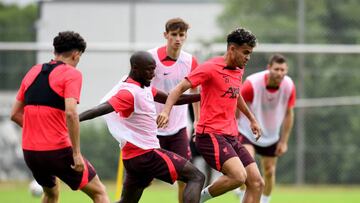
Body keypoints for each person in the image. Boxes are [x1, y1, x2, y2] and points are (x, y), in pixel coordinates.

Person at [79, 51, 205, 203]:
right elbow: (101, 109)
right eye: (149, 70)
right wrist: (73, 118)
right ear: (135, 68)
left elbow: (173, 99)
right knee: (196, 177)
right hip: (146, 155)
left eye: (154, 70)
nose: (153, 74)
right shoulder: (129, 93)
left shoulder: (144, 88)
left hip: (133, 159)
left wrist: (203, 95)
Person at [157, 28, 265, 203]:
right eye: (245, 52)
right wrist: (165, 111)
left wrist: (252, 119)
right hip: (210, 135)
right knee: (238, 176)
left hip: (231, 135)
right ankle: (198, 198)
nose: (248, 57)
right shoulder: (209, 68)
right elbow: (178, 88)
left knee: (257, 183)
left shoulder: (238, 70)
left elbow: (235, 94)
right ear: (232, 49)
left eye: (250, 53)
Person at [10, 31, 109, 203]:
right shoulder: (71, 73)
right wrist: (76, 154)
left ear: (55, 51)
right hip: (58, 151)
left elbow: (15, 114)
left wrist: (39, 133)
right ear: (76, 54)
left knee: (51, 193)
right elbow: (71, 113)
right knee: (99, 192)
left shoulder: (33, 71)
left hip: (31, 153)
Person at [148, 17, 200, 203]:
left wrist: (197, 122)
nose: (178, 39)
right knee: (145, 179)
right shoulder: (150, 58)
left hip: (178, 129)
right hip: (151, 129)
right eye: (174, 34)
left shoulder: (190, 61)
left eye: (182, 35)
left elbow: (195, 93)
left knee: (185, 177)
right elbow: (139, 90)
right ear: (165, 35)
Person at [236, 54, 296, 203]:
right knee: (248, 169)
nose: (280, 73)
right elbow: (236, 107)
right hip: (247, 132)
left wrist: (283, 141)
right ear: (269, 68)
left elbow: (289, 114)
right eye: (277, 69)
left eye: (283, 70)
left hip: (270, 135)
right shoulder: (252, 84)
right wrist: (233, 129)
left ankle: (265, 201)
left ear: (286, 70)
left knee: (269, 171)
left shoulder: (289, 86)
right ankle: (242, 194)